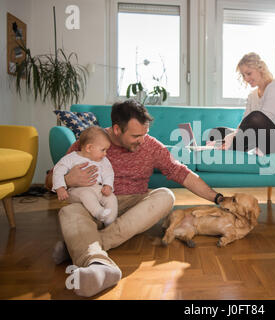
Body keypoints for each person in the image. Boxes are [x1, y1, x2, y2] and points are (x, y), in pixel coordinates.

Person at [45, 100, 226, 297]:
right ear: (116, 129)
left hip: (135, 204)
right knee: (69, 210)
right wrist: (68, 179)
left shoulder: (150, 145)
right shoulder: (90, 143)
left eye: (145, 133)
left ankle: (85, 250)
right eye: (136, 135)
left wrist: (217, 198)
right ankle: (95, 260)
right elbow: (49, 180)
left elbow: (181, 172)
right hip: (96, 203)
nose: (142, 140)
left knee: (166, 196)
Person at [214, 52, 275, 155]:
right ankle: (230, 146)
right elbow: (245, 122)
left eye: (249, 73)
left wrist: (233, 136)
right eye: (243, 75)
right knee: (219, 131)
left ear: (260, 69)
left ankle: (230, 147)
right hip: (263, 139)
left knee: (256, 117)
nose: (246, 78)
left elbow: (262, 120)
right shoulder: (252, 95)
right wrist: (233, 134)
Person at [52, 126, 118, 227]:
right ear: (89, 148)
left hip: (97, 188)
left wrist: (108, 186)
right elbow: (58, 171)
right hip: (77, 190)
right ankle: (99, 213)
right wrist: (60, 188)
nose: (105, 154)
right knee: (86, 194)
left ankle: (110, 219)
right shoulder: (71, 158)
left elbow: (109, 173)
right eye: (103, 150)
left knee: (111, 198)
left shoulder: (103, 160)